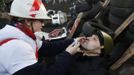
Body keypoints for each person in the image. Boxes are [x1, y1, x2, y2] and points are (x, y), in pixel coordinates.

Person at [0, 0, 84, 75]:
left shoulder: (22, 35)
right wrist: (68, 54)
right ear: (28, 21)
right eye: (41, 21)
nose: (43, 24)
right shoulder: (17, 47)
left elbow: (47, 48)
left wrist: (74, 40)